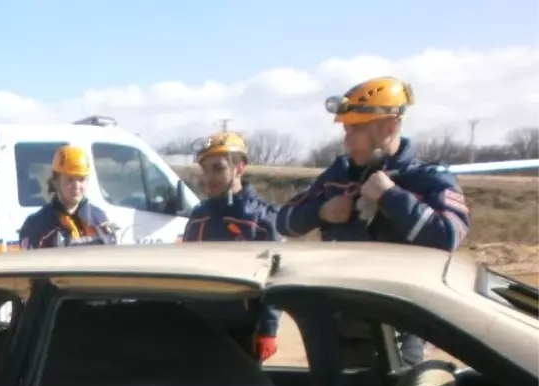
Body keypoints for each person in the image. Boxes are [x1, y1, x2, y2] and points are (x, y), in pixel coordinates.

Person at [275, 77, 471, 365]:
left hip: (403, 331)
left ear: (390, 127)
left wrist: (391, 197)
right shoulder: (337, 174)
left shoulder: (428, 179)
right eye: (346, 129)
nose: (347, 139)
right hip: (337, 326)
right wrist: (321, 211)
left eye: (356, 129)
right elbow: (283, 222)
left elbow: (448, 236)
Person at [181, 132, 282, 364]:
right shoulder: (197, 217)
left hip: (243, 330)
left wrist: (269, 329)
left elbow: (276, 279)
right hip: (199, 328)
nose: (209, 177)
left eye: (218, 168)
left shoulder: (264, 219)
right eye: (205, 169)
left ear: (240, 168)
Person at [19, 145, 118, 249]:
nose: (76, 186)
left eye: (81, 179)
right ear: (56, 181)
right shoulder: (36, 224)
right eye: (70, 180)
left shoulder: (99, 219)